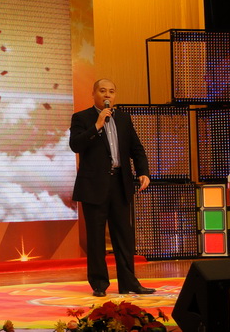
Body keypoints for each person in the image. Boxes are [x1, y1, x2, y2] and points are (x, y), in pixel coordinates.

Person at [69, 78, 155, 297]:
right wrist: (97, 125)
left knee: (124, 236)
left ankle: (128, 283)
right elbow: (75, 145)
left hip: (120, 183)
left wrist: (143, 172)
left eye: (111, 91)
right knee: (96, 238)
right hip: (94, 186)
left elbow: (136, 148)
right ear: (94, 94)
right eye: (102, 91)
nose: (107, 95)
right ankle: (99, 284)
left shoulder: (124, 118)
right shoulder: (81, 118)